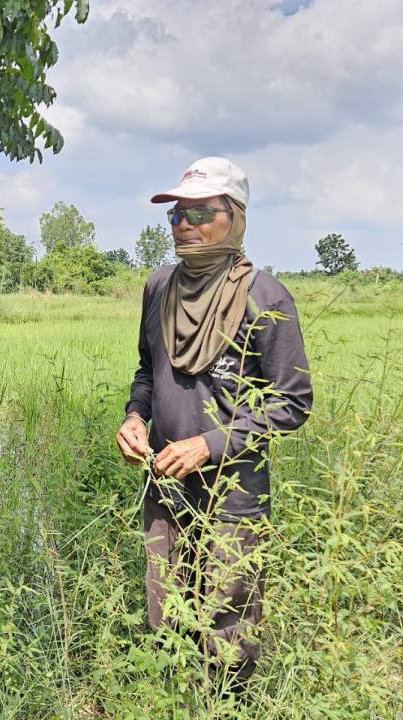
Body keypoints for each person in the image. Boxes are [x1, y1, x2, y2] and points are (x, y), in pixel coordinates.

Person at [115, 156, 312, 689]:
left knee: (229, 618)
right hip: (166, 482)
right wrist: (136, 417)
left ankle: (228, 703)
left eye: (201, 213)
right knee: (167, 610)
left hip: (234, 490)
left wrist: (209, 444)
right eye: (178, 215)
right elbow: (147, 371)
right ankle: (176, 699)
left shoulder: (264, 297)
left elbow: (292, 402)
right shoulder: (159, 288)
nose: (185, 225)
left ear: (236, 218)